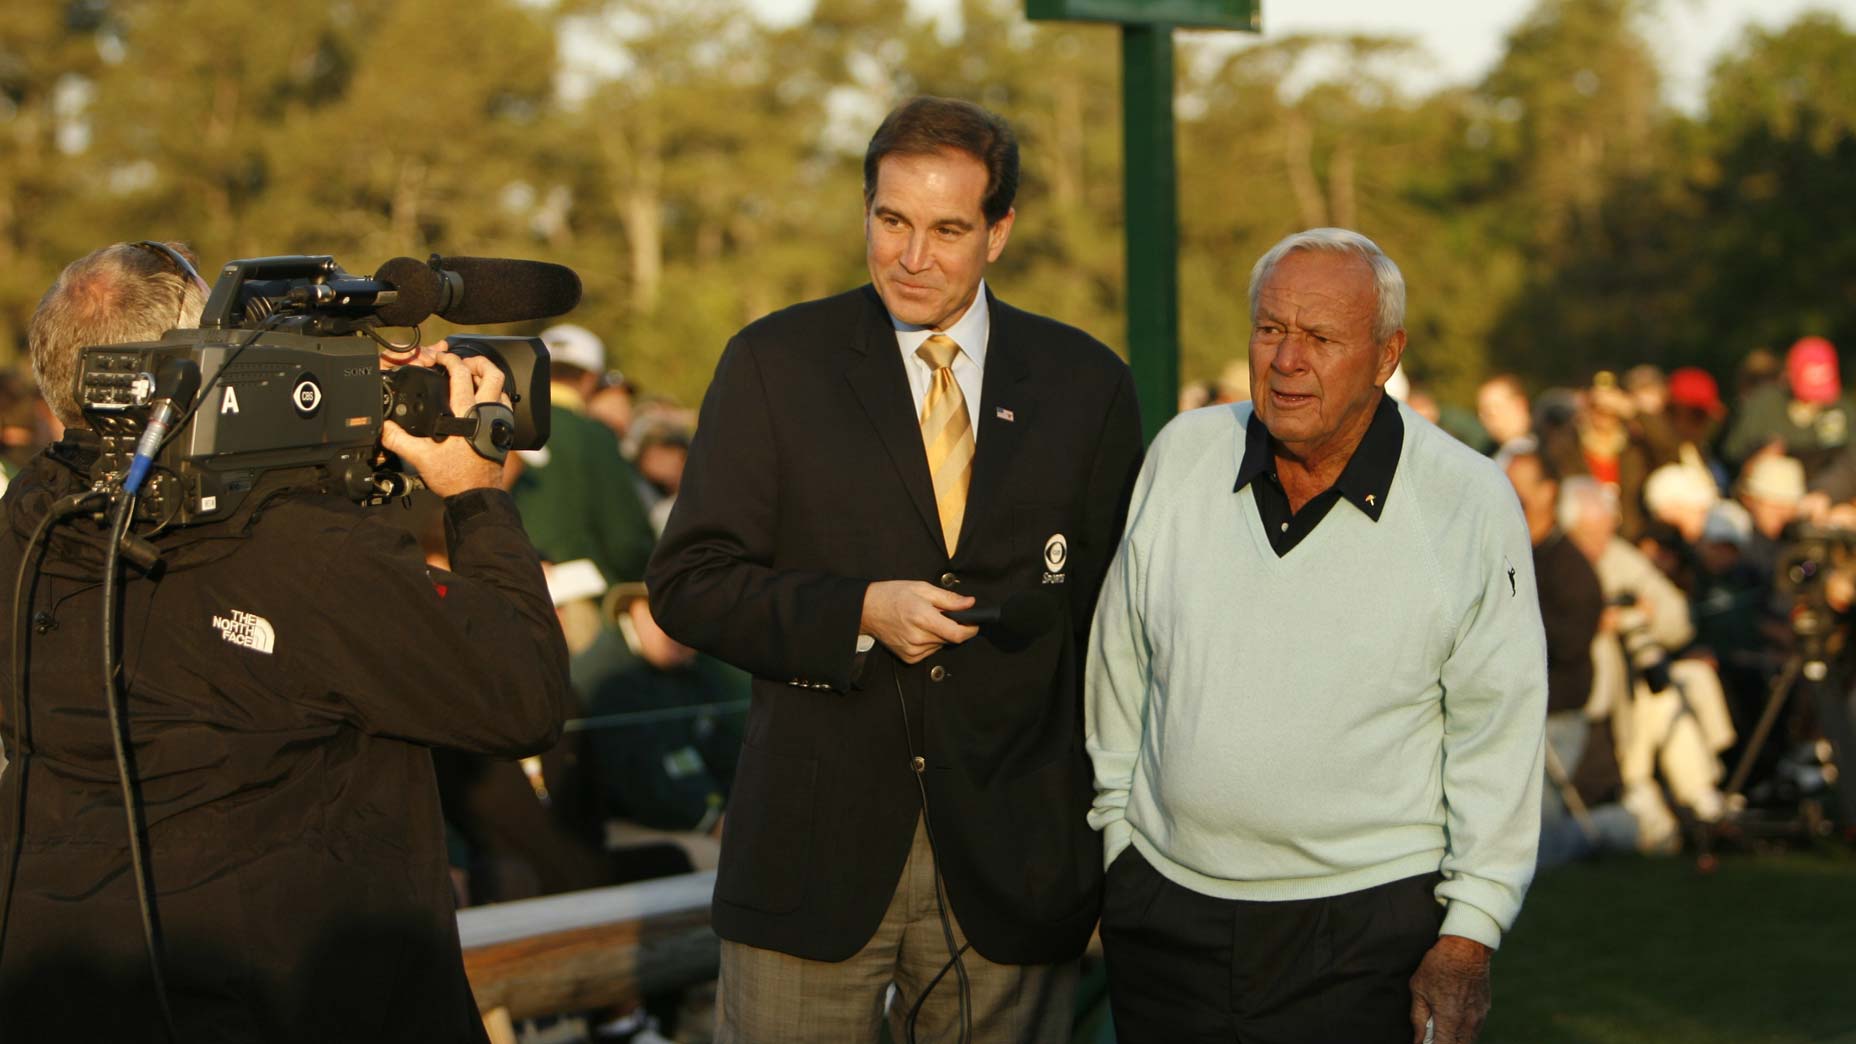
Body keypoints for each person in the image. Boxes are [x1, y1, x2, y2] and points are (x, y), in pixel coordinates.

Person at [646, 96, 1144, 1043]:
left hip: (1013, 867)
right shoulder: (774, 363)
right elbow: (688, 582)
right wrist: (859, 612)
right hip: (810, 859)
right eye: (892, 221)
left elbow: (1114, 625)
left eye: (947, 229)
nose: (912, 257)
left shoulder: (1086, 383)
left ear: (1000, 232)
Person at [0, 241, 572, 1041]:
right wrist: (476, 498)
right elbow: (523, 696)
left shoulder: (30, 517)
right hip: (291, 996)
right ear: (193, 368)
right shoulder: (304, 556)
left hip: (64, 979)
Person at [1086, 228, 1546, 1044]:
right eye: (1270, 328)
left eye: (1322, 338)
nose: (1287, 360)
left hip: (1366, 935)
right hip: (1166, 915)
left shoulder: (1469, 500)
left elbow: (1499, 731)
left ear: (1386, 355)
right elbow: (1120, 662)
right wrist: (1119, 838)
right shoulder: (1184, 454)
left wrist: (1471, 928)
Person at [510, 321, 656, 586]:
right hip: (576, 593)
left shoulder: (500, 424)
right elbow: (625, 540)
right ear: (590, 379)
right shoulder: (595, 436)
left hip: (501, 583)